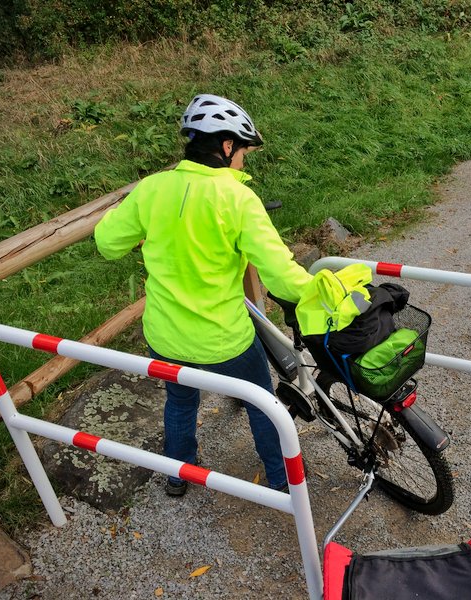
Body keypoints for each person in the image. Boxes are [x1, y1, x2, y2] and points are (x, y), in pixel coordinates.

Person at [94, 94, 313, 496]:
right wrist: (320, 293)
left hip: (164, 334)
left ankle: (178, 476)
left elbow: (108, 243)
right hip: (223, 338)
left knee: (179, 398)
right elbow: (280, 277)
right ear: (226, 146)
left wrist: (144, 228)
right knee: (262, 403)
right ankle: (283, 482)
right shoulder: (238, 198)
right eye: (243, 150)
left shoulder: (152, 188)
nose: (244, 159)